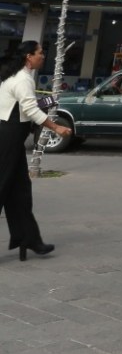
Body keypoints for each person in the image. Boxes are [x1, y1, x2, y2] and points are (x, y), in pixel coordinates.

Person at [0, 40, 73, 259]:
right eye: (40, 53)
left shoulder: (14, 76)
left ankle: (29, 239)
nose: (43, 56)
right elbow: (30, 110)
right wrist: (56, 127)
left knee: (20, 191)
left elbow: (24, 107)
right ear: (28, 57)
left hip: (11, 136)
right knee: (3, 187)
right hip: (9, 138)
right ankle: (29, 239)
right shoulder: (23, 79)